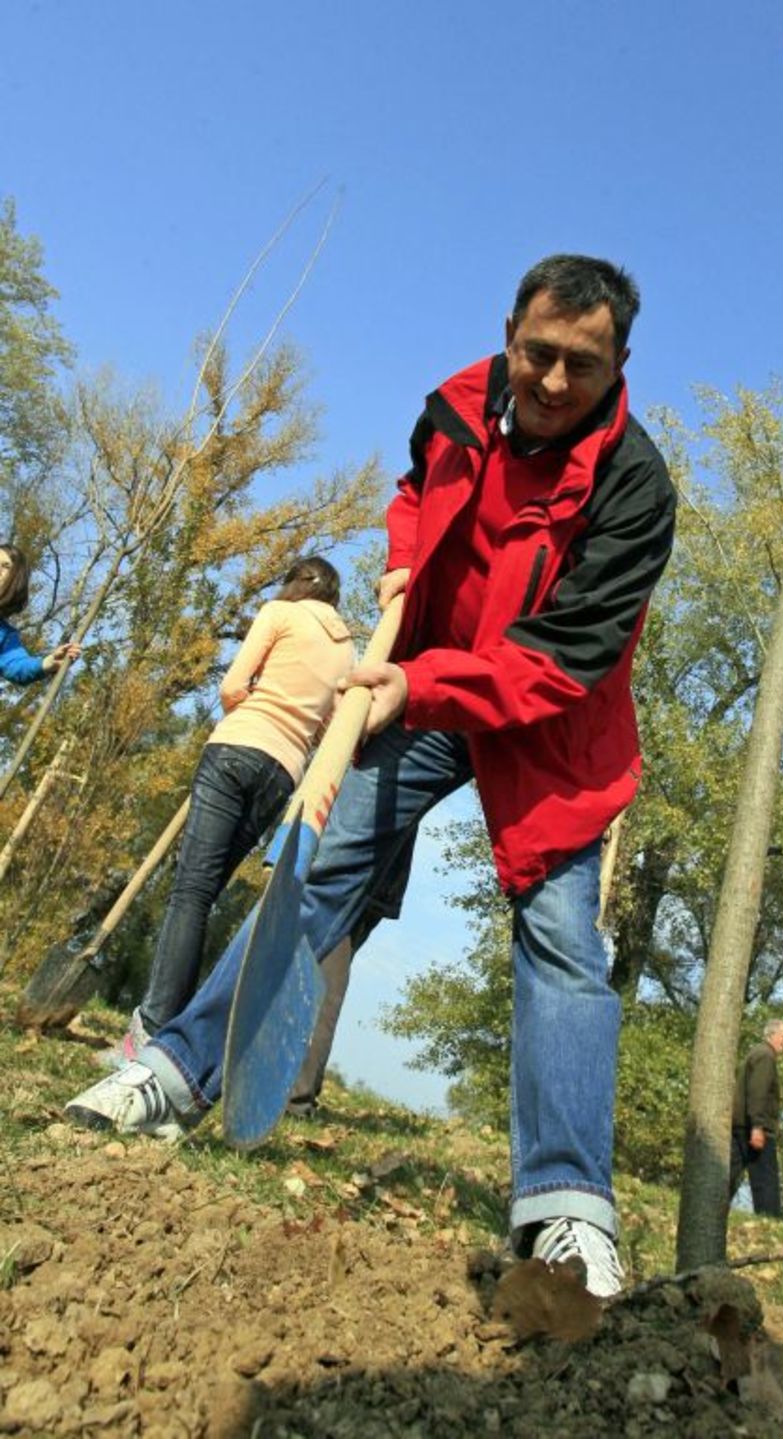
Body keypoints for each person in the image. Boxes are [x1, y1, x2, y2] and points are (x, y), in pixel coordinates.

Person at [66, 253, 677, 1299]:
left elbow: (567, 655)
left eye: (584, 363)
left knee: (563, 939)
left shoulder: (635, 487)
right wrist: (404, 554)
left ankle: (567, 1211)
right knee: (324, 862)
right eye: (539, 353)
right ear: (509, 333)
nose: (555, 382)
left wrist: (424, 682)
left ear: (620, 362)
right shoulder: (453, 405)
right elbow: (415, 494)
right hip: (417, 671)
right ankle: (171, 1072)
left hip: (541, 717)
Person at [99, 555, 355, 1066]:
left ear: (297, 583)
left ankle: (150, 1034)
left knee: (190, 891)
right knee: (206, 892)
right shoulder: (347, 648)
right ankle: (172, 1028)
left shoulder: (280, 612)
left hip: (237, 747)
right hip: (283, 772)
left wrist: (256, 705)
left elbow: (231, 687)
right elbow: (328, 727)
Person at [729, 1018, 783, 1218]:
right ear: (771, 1035)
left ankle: (709, 1208)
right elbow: (758, 1092)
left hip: (742, 1124)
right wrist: (758, 1127)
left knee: (729, 1174)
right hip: (756, 1128)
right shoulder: (765, 1056)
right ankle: (770, 1223)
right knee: (766, 1182)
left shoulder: (757, 1053)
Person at [0, 543, 82, 685]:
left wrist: (48, 662)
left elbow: (16, 666)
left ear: (15, 580)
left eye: (6, 566)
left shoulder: (5, 636)